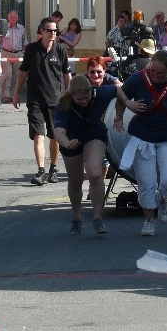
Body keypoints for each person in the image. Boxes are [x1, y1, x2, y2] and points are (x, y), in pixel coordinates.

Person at [114, 49, 167, 236]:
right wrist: (123, 111)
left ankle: (162, 199)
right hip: (142, 137)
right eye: (153, 71)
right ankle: (149, 221)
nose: (155, 75)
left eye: (160, 73)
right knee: (146, 183)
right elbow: (120, 94)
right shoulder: (138, 79)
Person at [54, 75, 140, 235]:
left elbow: (116, 89)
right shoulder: (63, 104)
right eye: (79, 99)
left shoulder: (98, 92)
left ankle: (97, 217)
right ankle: (76, 217)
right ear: (71, 95)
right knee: (75, 180)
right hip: (70, 138)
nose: (84, 101)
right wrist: (67, 143)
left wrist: (126, 104)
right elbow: (59, 132)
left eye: (86, 97)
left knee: (94, 173)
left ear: (91, 92)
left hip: (94, 134)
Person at [13, 16, 72, 185]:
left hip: (56, 100)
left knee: (55, 136)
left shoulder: (60, 50)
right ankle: (41, 171)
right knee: (38, 135)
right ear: (42, 31)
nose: (53, 33)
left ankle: (53, 168)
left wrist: (70, 95)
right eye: (49, 30)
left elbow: (66, 75)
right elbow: (23, 72)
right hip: (35, 100)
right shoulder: (32, 49)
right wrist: (16, 93)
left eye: (55, 31)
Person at [0, 10, 29, 101]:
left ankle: (12, 94)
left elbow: (25, 41)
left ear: (17, 18)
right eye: (11, 17)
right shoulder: (4, 27)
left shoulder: (21, 28)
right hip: (6, 53)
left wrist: (23, 52)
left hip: (18, 54)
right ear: (8, 18)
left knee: (16, 75)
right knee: (7, 74)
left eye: (14, 17)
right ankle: (6, 95)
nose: (13, 18)